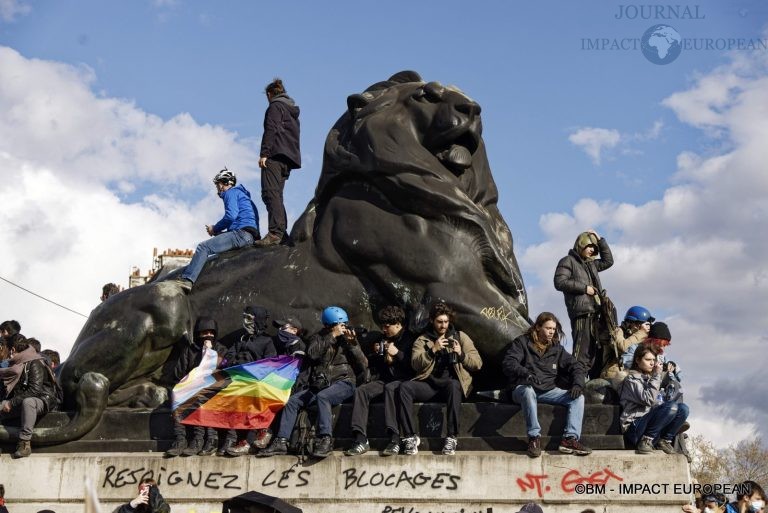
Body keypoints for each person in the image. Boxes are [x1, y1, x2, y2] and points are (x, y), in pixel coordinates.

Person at [258, 306, 367, 458]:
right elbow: (312, 354)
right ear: (330, 325)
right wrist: (332, 336)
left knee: (324, 397)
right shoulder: (319, 337)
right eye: (339, 325)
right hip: (322, 385)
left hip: (344, 382)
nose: (342, 328)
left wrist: (354, 344)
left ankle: (325, 439)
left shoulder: (349, 340)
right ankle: (281, 441)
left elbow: (363, 364)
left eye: (344, 324)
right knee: (292, 402)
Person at [397, 302, 482, 456]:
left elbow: (477, 364)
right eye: (439, 322)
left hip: (451, 387)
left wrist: (461, 354)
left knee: (454, 385)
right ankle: (410, 437)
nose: (443, 325)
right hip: (429, 386)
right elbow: (415, 364)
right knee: (405, 388)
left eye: (446, 322)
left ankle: (451, 437)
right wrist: (432, 350)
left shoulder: (460, 337)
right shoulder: (422, 340)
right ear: (432, 321)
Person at [502, 311, 592, 458]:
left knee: (578, 398)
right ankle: (534, 438)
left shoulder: (557, 349)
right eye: (548, 328)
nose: (551, 332)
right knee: (528, 391)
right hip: (522, 389)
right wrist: (526, 373)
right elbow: (509, 363)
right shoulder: (522, 342)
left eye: (553, 329)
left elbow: (577, 366)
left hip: (547, 390)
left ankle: (569, 439)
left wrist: (577, 384)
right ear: (538, 327)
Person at [344, 305, 415, 457]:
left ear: (398, 323)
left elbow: (414, 367)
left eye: (386, 326)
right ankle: (360, 438)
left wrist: (398, 354)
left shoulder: (410, 339)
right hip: (384, 380)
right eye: (382, 326)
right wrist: (377, 353)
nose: (383, 329)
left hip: (405, 381)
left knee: (391, 387)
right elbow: (372, 365)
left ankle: (395, 438)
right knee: (361, 391)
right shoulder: (382, 338)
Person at [177, 169, 260, 289]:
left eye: (217, 184)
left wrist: (214, 229)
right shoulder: (244, 197)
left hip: (240, 234)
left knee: (203, 247)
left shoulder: (230, 193)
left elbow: (231, 216)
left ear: (223, 183)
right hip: (249, 237)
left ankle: (187, 280)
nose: (217, 188)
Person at [554, 229, 614, 379]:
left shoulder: (591, 264)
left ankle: (587, 384)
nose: (592, 249)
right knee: (581, 351)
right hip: (581, 312)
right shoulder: (568, 261)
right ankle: (575, 383)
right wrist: (584, 288)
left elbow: (608, 261)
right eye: (589, 246)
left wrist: (600, 240)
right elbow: (559, 282)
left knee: (593, 353)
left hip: (596, 313)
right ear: (580, 245)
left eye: (595, 248)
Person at [223, 306, 277, 456]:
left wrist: (253, 367)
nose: (245, 322)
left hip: (257, 383)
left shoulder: (267, 341)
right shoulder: (241, 340)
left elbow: (270, 364)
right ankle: (242, 441)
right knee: (238, 405)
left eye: (249, 319)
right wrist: (237, 362)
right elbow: (229, 358)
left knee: (253, 399)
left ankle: (263, 430)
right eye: (244, 318)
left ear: (257, 321)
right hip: (240, 382)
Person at [254, 78, 301, 247]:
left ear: (269, 94)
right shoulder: (291, 110)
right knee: (277, 194)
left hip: (274, 155)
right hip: (287, 158)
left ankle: (275, 233)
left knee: (269, 193)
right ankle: (282, 233)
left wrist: (264, 153)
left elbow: (271, 129)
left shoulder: (275, 106)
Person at [165, 316, 221, 458]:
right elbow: (178, 373)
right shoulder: (190, 351)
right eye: (204, 333)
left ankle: (198, 439)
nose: (208, 336)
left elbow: (222, 369)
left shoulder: (221, 349)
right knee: (178, 397)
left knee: (201, 398)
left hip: (212, 389)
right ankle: (180, 440)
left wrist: (209, 353)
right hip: (189, 388)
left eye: (211, 333)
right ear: (198, 334)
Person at [619, 344, 689, 454]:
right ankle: (646, 441)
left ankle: (664, 441)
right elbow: (648, 399)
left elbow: (657, 404)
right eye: (648, 360)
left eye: (653, 360)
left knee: (683, 409)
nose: (652, 363)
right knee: (671, 407)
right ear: (637, 360)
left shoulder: (651, 379)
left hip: (650, 426)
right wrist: (657, 376)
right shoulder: (631, 380)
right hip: (634, 428)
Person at [0, 338, 61, 458]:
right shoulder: (20, 364)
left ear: (13, 350)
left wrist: (11, 403)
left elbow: (35, 390)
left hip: (44, 398)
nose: (10, 354)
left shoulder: (35, 362)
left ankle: (24, 443)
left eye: (11, 351)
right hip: (22, 399)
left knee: (29, 403)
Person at [601, 305, 652, 383]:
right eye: (641, 324)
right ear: (632, 323)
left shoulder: (640, 336)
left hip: (631, 378)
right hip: (613, 377)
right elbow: (622, 347)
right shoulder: (617, 331)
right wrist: (641, 333)